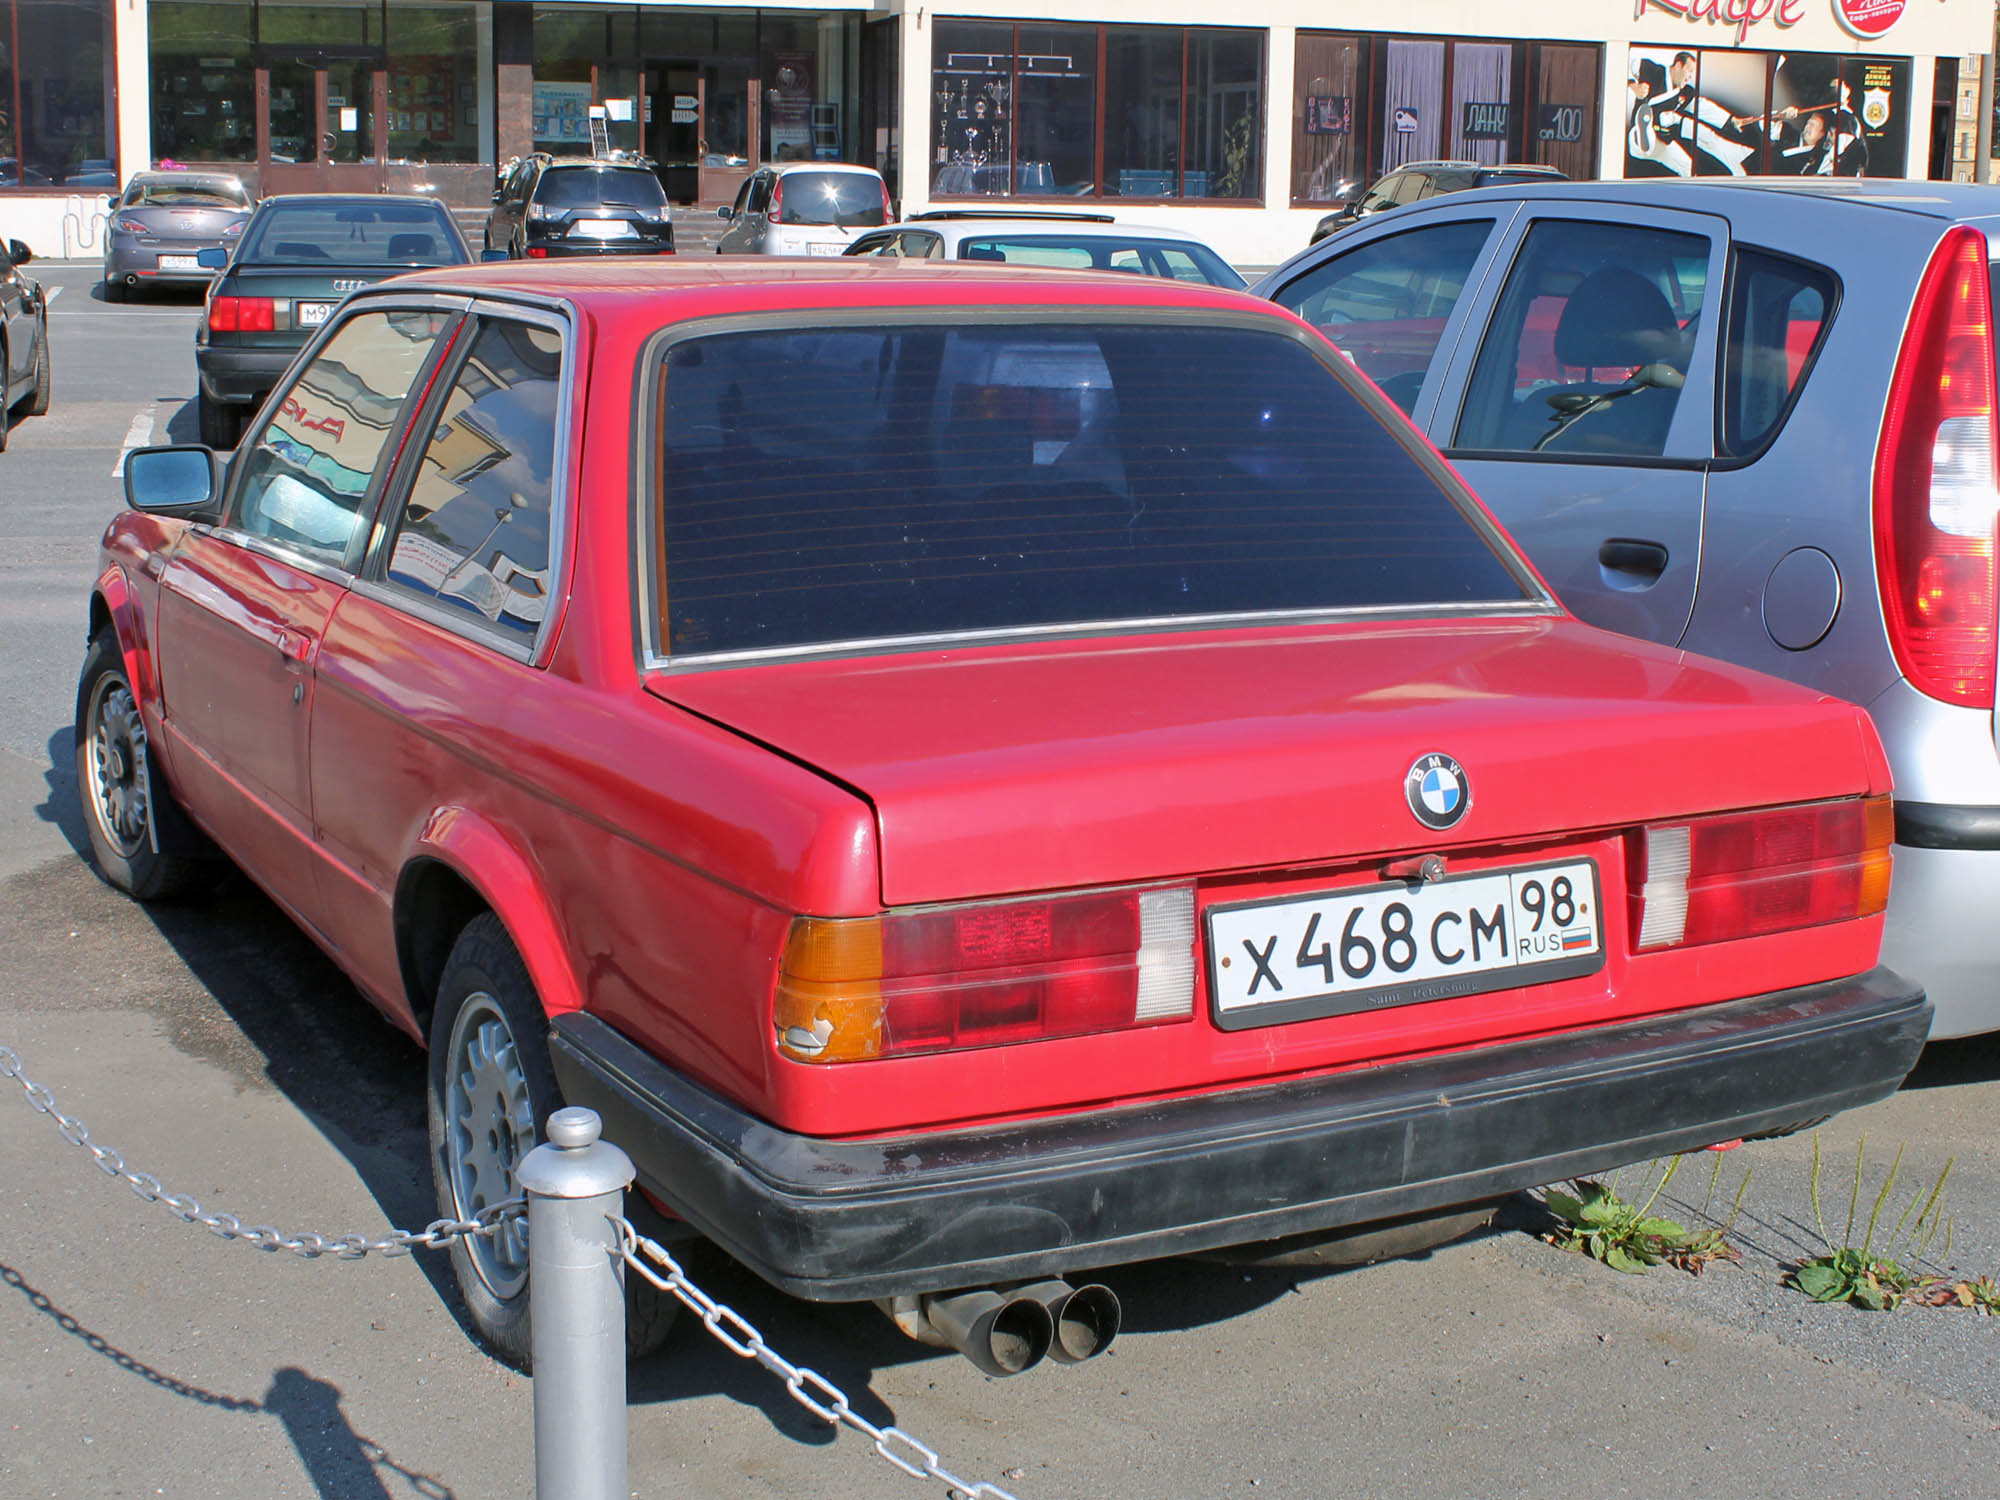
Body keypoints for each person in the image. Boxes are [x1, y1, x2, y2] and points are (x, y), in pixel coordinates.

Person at [1628, 51, 1758, 177]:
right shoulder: (1652, 70)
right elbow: (1622, 64)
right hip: (1638, 136)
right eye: (1689, 71)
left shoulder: (1685, 93)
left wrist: (1732, 120)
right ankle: (1643, 133)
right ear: (1678, 65)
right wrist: (1633, 86)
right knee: (1660, 123)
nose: (1690, 76)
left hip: (1662, 140)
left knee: (1688, 168)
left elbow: (1703, 107)